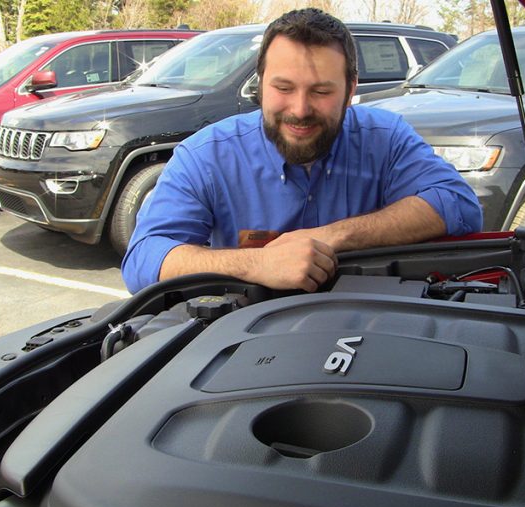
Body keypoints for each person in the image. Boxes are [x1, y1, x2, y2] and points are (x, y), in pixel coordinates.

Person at [121, 8, 482, 294]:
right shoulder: (206, 156)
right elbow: (144, 260)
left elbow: (458, 205)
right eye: (283, 88)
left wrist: (332, 237)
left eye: (322, 91)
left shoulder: (385, 139)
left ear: (351, 88)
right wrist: (259, 264)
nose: (299, 109)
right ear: (261, 84)